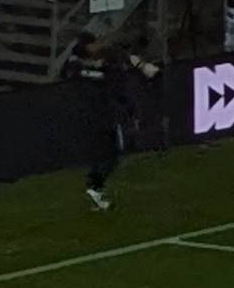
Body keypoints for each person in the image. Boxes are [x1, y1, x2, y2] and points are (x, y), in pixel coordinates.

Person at [61, 31, 161, 211]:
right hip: (101, 114)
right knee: (113, 153)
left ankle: (94, 187)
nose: (98, 46)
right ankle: (95, 188)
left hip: (92, 113)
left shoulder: (80, 63)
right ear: (87, 46)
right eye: (94, 43)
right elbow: (108, 79)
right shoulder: (84, 66)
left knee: (103, 153)